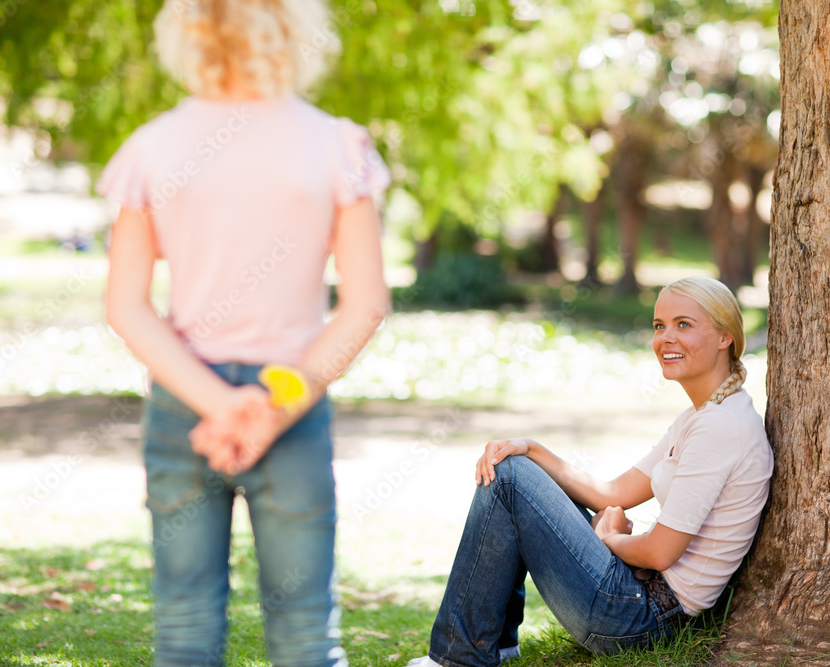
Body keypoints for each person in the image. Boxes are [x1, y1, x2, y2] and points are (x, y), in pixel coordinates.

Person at [99, 1, 390, 665]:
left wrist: (219, 404)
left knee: (184, 629)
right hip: (292, 400)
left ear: (186, 29)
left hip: (184, 408)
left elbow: (127, 305)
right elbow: (365, 304)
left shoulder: (151, 147)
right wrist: (269, 406)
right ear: (294, 24)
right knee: (305, 633)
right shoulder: (336, 145)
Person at [407, 277, 773, 667]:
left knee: (510, 479)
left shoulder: (720, 427)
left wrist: (609, 538)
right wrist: (531, 448)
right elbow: (613, 494)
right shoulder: (704, 417)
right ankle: (494, 643)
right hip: (638, 599)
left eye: (684, 324)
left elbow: (660, 552)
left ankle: (458, 658)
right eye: (659, 325)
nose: (666, 338)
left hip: (642, 619)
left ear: (724, 337)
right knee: (515, 468)